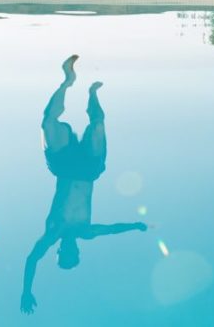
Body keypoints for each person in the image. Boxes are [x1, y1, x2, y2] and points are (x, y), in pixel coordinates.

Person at [20, 55, 147, 314]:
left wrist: (26, 290)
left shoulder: (53, 233)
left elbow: (32, 258)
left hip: (64, 169)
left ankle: (67, 81)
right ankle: (92, 94)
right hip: (89, 170)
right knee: (98, 125)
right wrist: (135, 225)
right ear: (76, 251)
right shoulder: (86, 231)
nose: (67, 250)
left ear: (58, 252)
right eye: (71, 255)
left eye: (63, 255)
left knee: (47, 124)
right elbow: (112, 230)